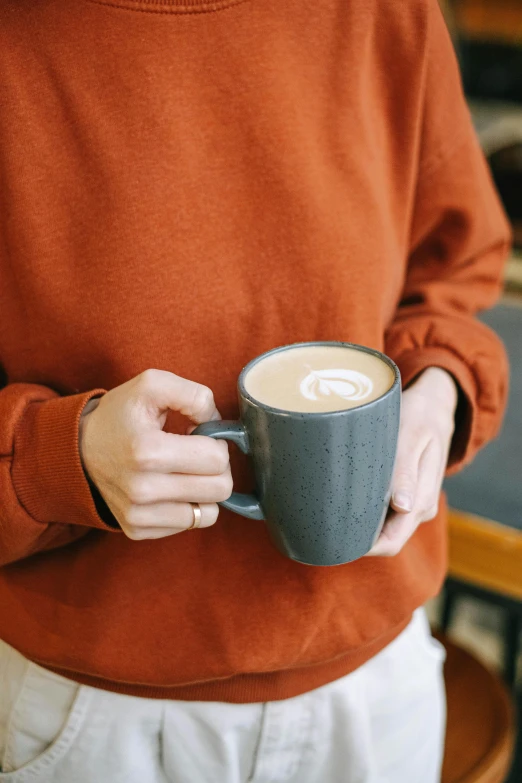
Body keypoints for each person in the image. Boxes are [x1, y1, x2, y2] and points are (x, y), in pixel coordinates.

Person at [0, 0, 510, 780]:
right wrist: (51, 463)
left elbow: (454, 270)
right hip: (90, 715)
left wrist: (438, 389)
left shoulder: (387, 11)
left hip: (378, 686)